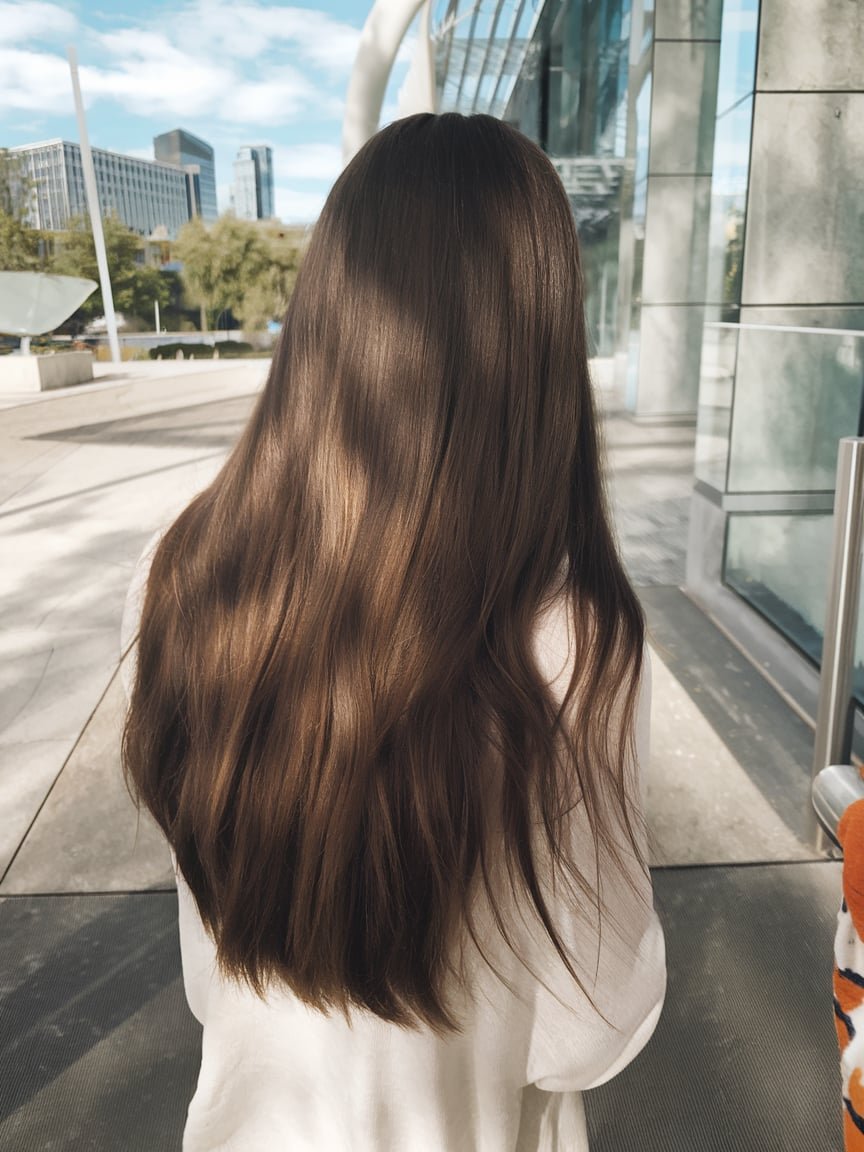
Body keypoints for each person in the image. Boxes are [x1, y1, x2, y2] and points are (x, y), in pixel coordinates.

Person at [122, 112, 666, 1152]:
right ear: (542, 341)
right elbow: (584, 1033)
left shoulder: (185, 572)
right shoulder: (573, 641)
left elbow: (209, 977)